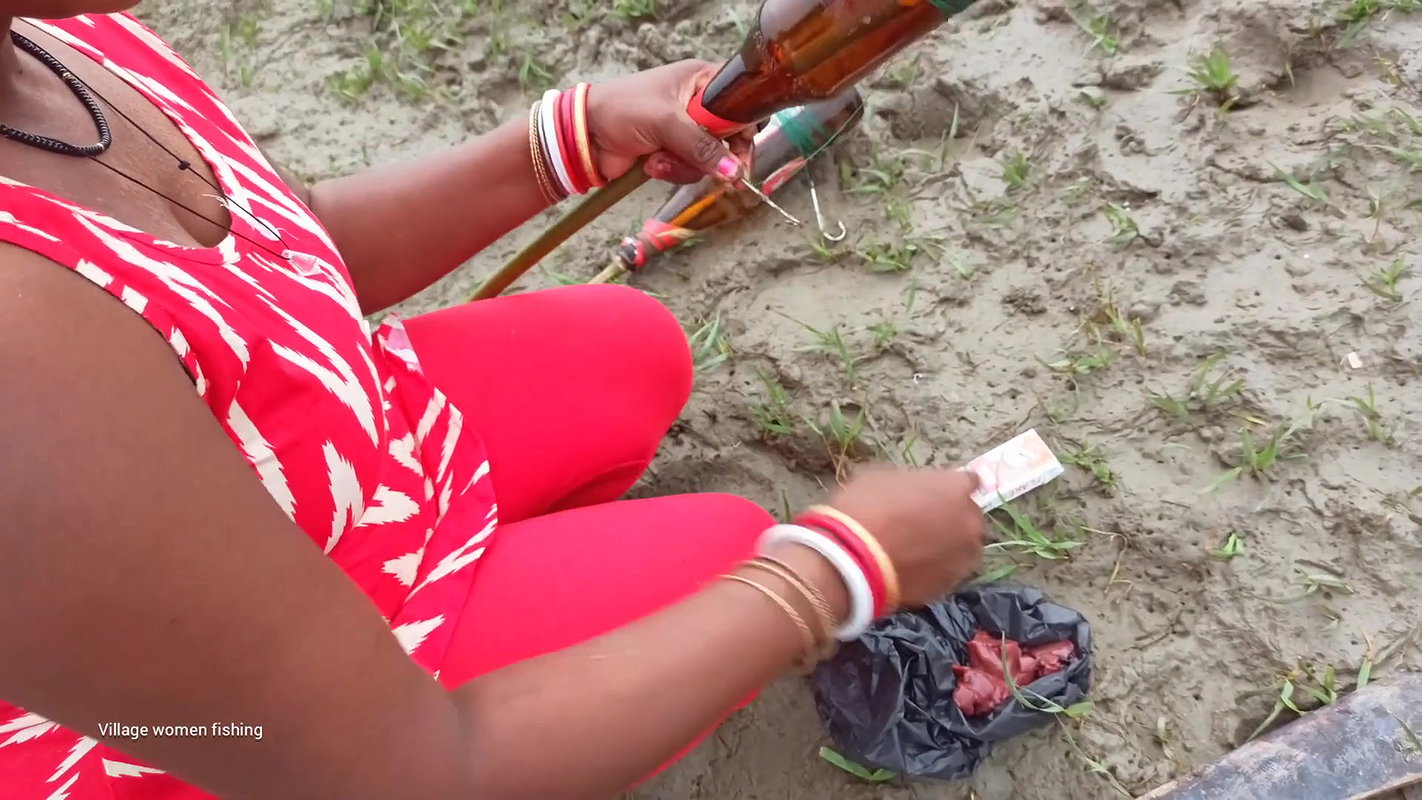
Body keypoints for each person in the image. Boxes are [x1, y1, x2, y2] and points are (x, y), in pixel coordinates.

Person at [0, 3, 986, 798]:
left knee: (625, 349)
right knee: (728, 552)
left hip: (283, 484)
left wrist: (562, 140)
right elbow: (401, 768)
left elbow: (275, 258)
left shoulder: (56, 35)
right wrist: (830, 573)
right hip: (214, 727)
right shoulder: (21, 353)